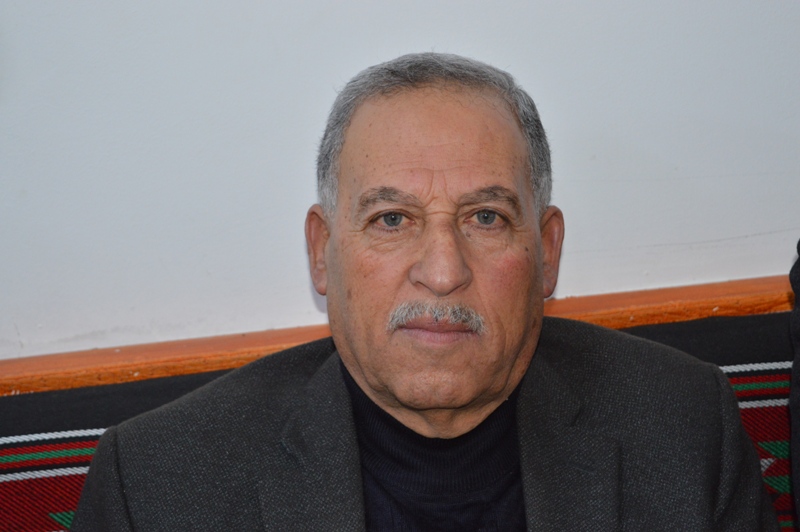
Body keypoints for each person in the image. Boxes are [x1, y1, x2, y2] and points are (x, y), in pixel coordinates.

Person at [72, 53, 777, 530]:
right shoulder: (159, 486)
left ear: (548, 252)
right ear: (323, 254)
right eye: (392, 219)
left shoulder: (686, 430)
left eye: (485, 218)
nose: (442, 272)